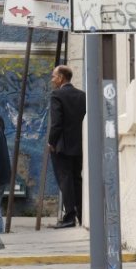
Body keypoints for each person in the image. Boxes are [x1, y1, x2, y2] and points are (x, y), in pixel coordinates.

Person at [48, 65, 86, 228]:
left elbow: (57, 123)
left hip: (61, 146)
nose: (52, 79)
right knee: (77, 180)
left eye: (54, 76)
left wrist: (51, 141)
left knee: (65, 180)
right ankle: (81, 214)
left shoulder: (57, 95)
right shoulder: (82, 95)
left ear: (62, 77)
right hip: (79, 145)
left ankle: (69, 217)